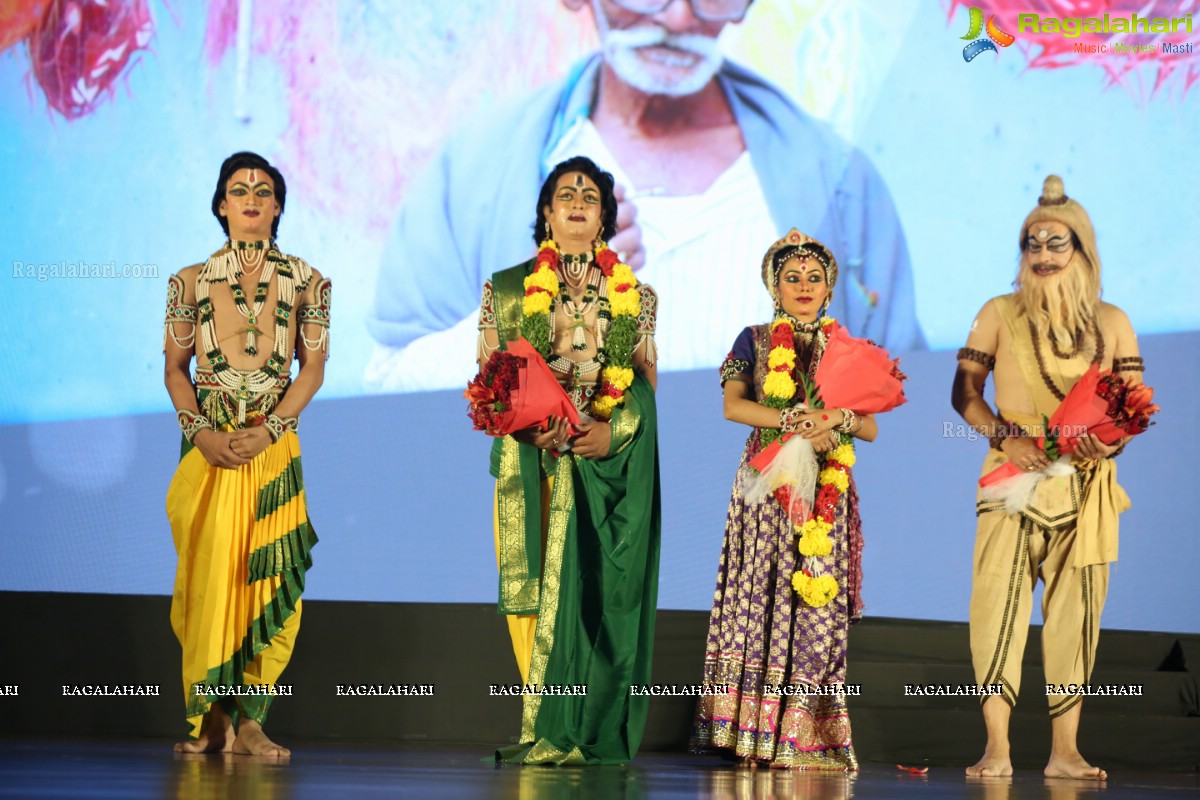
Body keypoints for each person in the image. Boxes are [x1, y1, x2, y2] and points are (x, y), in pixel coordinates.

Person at [365, 0, 922, 393]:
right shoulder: (477, 172)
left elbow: (903, 414)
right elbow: (385, 402)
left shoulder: (839, 184)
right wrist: (535, 313)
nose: (678, 17)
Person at [951, 175, 1142, 780]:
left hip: (1085, 487)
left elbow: (1134, 410)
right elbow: (964, 395)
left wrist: (1103, 438)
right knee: (996, 612)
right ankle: (998, 749)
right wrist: (1007, 436)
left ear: (1081, 249)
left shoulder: (1112, 322)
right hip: (1011, 476)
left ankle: (1065, 753)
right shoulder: (999, 312)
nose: (1042, 255)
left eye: (1056, 243)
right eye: (1032, 244)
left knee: (1075, 618)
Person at [481, 155, 661, 764]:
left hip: (604, 466)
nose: (579, 200)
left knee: (600, 592)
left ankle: (586, 731)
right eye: (566, 193)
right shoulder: (507, 290)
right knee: (536, 587)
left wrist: (613, 432)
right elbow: (490, 383)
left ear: (606, 217)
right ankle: (542, 727)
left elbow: (642, 387)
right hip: (534, 462)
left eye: (591, 194)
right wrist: (532, 427)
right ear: (547, 213)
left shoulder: (637, 296)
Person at [692, 229, 882, 770]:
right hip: (767, 483)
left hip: (826, 483)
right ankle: (748, 733)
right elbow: (733, 407)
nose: (803, 285)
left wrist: (834, 419)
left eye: (813, 278)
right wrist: (795, 421)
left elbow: (868, 427)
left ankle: (804, 734)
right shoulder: (753, 338)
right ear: (774, 286)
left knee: (815, 599)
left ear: (829, 288)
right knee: (761, 595)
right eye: (791, 276)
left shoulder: (849, 347)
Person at [163, 151, 330, 757]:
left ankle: (252, 719)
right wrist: (202, 433)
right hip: (206, 448)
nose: (252, 198)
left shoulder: (310, 282)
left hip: (271, 444)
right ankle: (210, 720)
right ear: (221, 204)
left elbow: (311, 370)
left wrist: (272, 429)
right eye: (239, 190)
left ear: (278, 205)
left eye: (264, 190)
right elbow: (175, 370)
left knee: (270, 577)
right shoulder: (187, 282)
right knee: (209, 579)